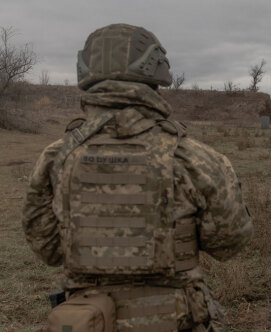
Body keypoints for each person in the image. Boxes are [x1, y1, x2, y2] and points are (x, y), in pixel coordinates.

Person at [22, 23, 253, 331]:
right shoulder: (193, 157)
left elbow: (48, 249)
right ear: (155, 72)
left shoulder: (57, 157)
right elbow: (230, 243)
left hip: (88, 320)